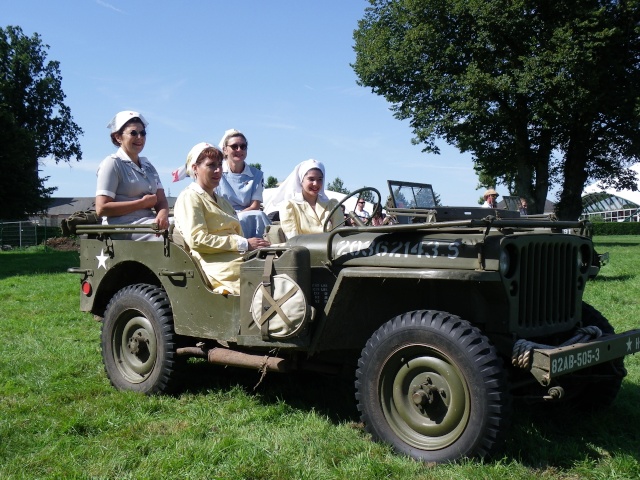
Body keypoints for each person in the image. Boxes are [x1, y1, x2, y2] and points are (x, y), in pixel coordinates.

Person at [173, 142, 270, 295]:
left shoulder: (222, 201)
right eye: (211, 165)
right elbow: (197, 240)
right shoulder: (190, 197)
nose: (218, 170)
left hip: (236, 261)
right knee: (271, 279)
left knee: (282, 263)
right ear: (195, 168)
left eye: (220, 164)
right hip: (217, 267)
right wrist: (243, 243)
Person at [96, 110, 170, 240]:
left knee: (186, 225)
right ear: (118, 137)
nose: (139, 137)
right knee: (176, 233)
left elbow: (161, 200)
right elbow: (102, 208)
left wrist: (162, 214)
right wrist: (141, 203)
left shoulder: (148, 166)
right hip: (123, 227)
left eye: (143, 133)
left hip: (148, 223)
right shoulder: (112, 164)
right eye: (133, 133)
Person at [264, 159, 344, 239]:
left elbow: (339, 236)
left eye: (320, 179)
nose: (315, 184)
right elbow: (293, 239)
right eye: (311, 179)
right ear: (301, 180)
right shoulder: (290, 206)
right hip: (303, 250)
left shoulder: (332, 205)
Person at [215, 129, 271, 238]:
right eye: (234, 146)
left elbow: (255, 205)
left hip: (248, 215)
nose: (239, 149)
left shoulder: (256, 175)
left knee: (259, 215)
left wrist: (238, 215)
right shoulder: (217, 172)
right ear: (225, 150)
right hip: (223, 216)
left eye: (243, 146)